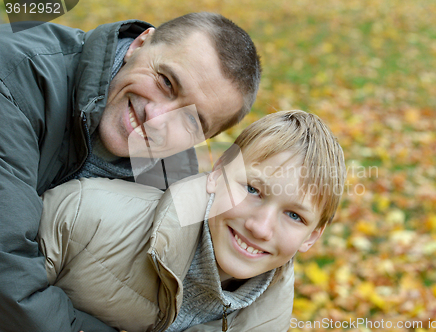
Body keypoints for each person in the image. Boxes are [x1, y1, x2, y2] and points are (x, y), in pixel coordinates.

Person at [0, 12, 261, 332]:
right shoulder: (16, 76)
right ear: (139, 44)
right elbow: (8, 272)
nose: (157, 117)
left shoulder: (172, 186)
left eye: (191, 120)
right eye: (166, 82)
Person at [37, 110, 347, 332]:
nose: (260, 227)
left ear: (312, 236)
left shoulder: (270, 320)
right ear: (218, 172)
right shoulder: (84, 215)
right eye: (252, 189)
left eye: (294, 215)